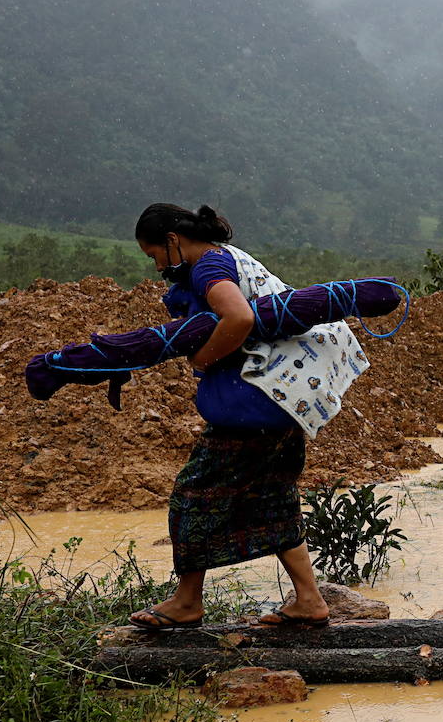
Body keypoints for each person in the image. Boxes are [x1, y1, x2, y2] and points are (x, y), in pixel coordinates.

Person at [127, 203, 368, 630]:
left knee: (193, 495)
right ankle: (310, 601)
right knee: (273, 496)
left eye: (155, 256)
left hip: (254, 404)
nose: (158, 267)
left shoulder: (207, 267)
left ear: (172, 241)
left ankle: (187, 602)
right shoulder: (230, 257)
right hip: (286, 403)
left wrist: (203, 358)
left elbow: (239, 316)